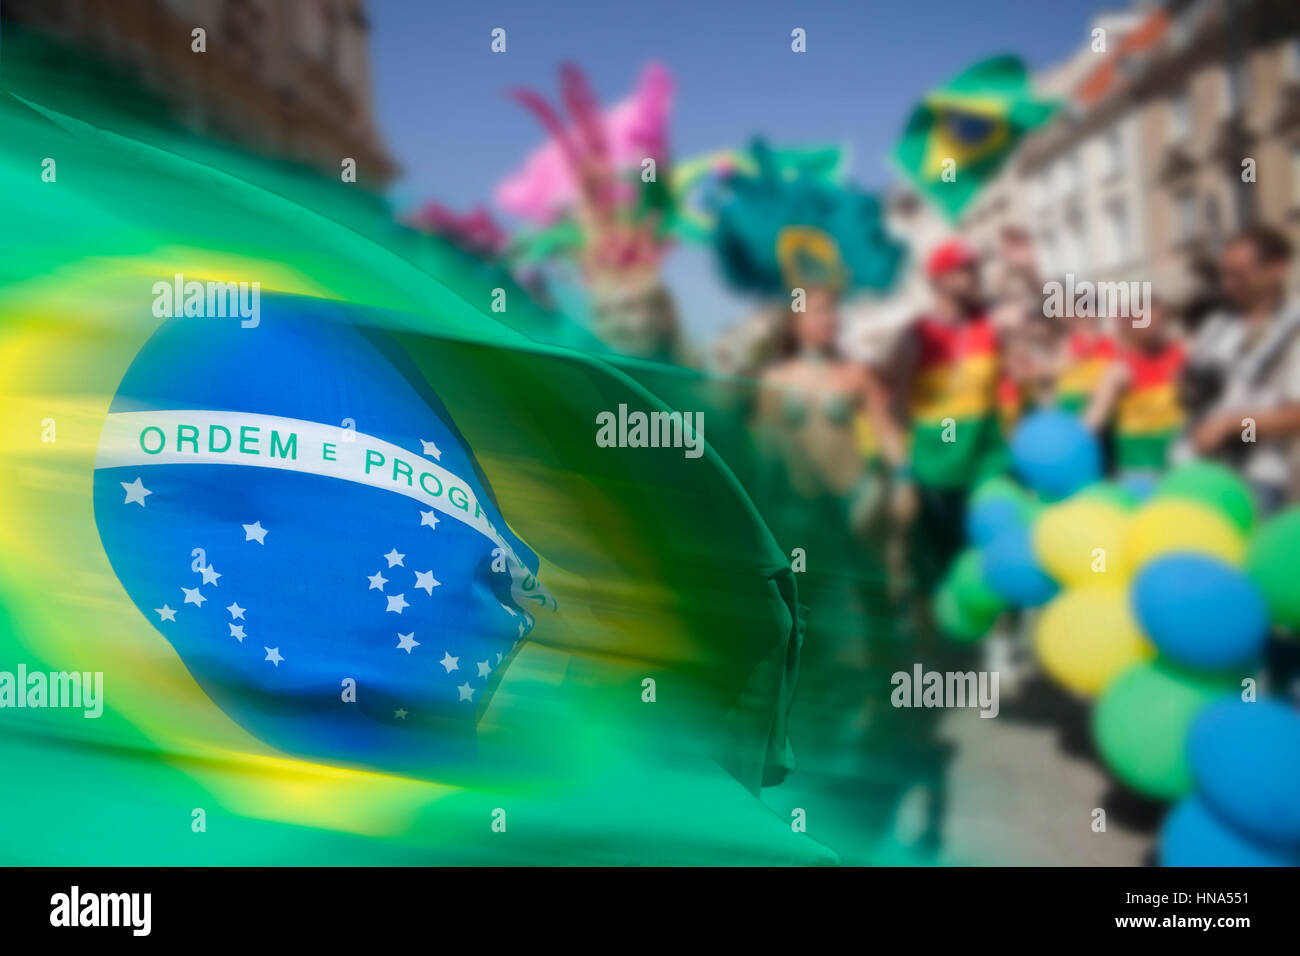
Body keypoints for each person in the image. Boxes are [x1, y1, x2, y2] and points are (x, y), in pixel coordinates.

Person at [879, 239, 1008, 600]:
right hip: (936, 474)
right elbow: (891, 410)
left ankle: (1001, 638)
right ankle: (946, 643)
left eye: (974, 269)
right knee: (945, 573)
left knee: (994, 556)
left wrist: (1027, 271)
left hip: (988, 467)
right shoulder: (914, 336)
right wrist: (903, 473)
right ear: (938, 280)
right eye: (963, 270)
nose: (973, 276)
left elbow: (1048, 316)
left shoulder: (990, 324)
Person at [1176, 225, 1300, 514]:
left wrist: (1231, 425)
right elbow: (1193, 387)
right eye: (1225, 274)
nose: (1228, 284)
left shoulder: (1293, 328)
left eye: (1239, 274)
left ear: (1276, 268)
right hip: (1194, 471)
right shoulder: (1216, 325)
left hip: (1255, 479)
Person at [1085, 297, 1186, 479]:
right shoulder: (1119, 370)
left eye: (1161, 320)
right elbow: (1091, 424)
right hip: (1139, 469)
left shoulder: (1182, 354)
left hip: (1181, 463)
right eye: (1148, 321)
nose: (1157, 327)